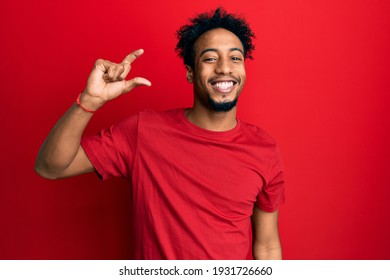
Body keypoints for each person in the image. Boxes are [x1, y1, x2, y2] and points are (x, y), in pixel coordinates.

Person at [35, 7, 285, 260]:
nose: (224, 68)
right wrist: (90, 101)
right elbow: (50, 167)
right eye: (210, 58)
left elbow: (267, 245)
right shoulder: (144, 132)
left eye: (235, 58)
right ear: (190, 72)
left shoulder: (264, 149)